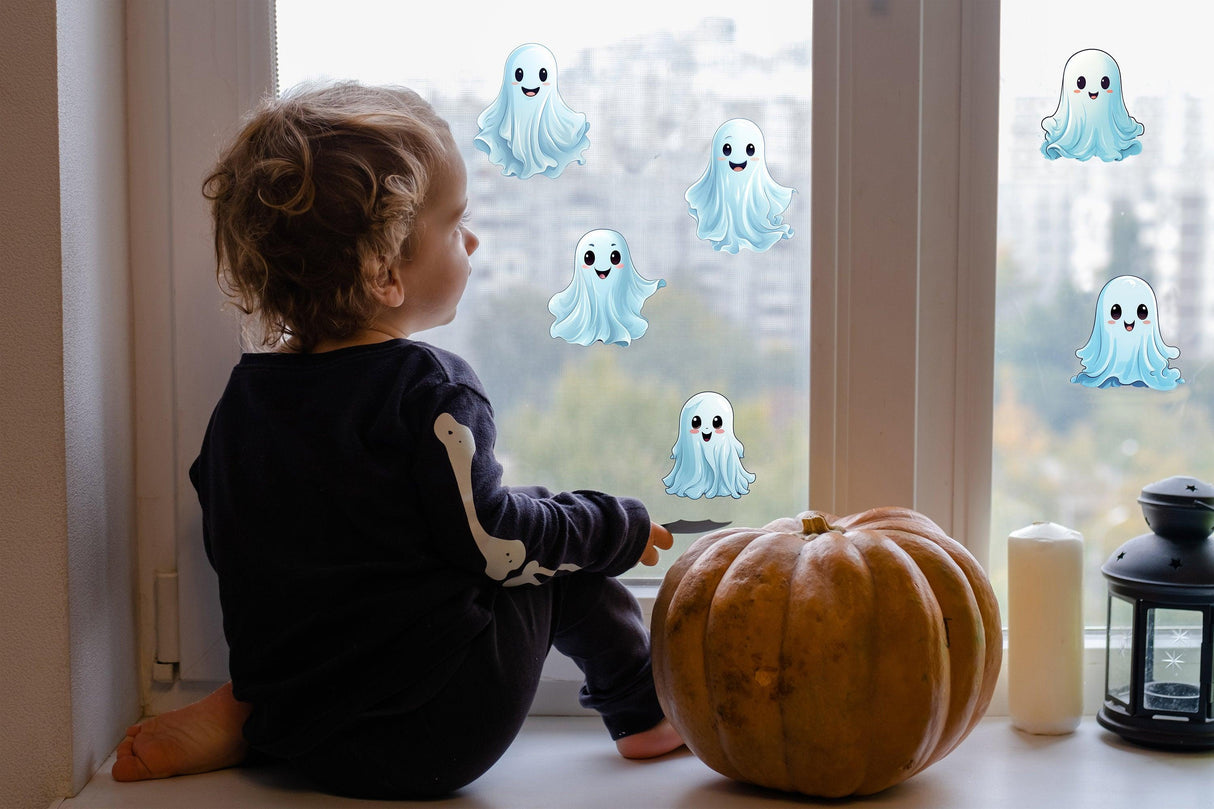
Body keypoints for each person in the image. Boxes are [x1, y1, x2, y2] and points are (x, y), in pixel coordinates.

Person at [111, 81, 682, 799]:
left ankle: (246, 712)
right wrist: (613, 525)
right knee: (561, 557)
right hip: (435, 732)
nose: (471, 240)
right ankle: (643, 715)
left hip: (307, 732)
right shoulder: (431, 392)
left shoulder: (247, 397)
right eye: (455, 224)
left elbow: (234, 539)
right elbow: (496, 544)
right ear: (385, 271)